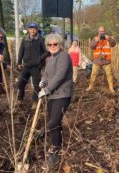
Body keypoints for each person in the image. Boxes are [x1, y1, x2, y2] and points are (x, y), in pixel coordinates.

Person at [38, 33, 73, 167]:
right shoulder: (51, 58)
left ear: (60, 44)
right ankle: (56, 142)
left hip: (62, 94)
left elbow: (59, 76)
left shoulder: (64, 56)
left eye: (55, 44)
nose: (52, 46)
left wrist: (46, 90)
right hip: (52, 94)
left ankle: (57, 149)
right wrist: (43, 81)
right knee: (53, 122)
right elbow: (47, 74)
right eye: (49, 44)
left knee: (54, 122)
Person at [17, 22, 49, 108]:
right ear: (28, 30)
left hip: (36, 66)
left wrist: (39, 59)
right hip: (26, 65)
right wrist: (19, 62)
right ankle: (20, 99)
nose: (32, 31)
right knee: (21, 82)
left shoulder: (41, 40)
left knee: (36, 84)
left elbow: (47, 51)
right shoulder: (25, 39)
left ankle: (35, 101)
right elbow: (21, 51)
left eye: (34, 29)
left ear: (37, 30)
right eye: (31, 29)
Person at [85, 26, 117, 93]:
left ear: (105, 31)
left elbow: (113, 44)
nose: (101, 33)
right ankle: (90, 87)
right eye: (100, 31)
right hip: (97, 60)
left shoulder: (108, 38)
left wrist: (110, 39)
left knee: (109, 74)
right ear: (98, 31)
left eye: (103, 31)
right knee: (93, 74)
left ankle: (111, 88)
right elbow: (91, 46)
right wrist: (96, 41)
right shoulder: (95, 38)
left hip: (106, 60)